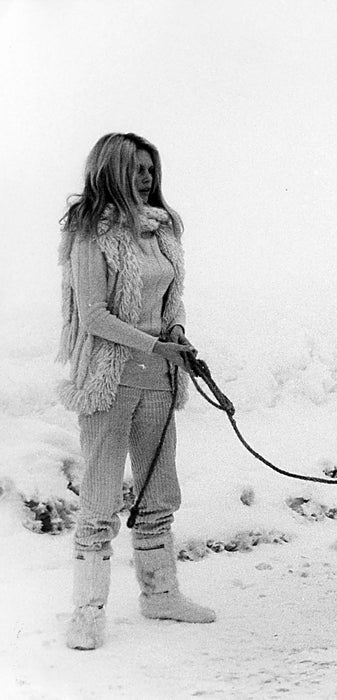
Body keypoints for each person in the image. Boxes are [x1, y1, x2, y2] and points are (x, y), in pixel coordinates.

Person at [58, 133, 215, 651]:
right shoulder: (92, 234)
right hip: (110, 376)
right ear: (111, 172)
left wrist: (175, 335)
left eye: (151, 168)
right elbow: (94, 315)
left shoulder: (162, 230)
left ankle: (161, 593)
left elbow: (173, 298)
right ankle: (87, 610)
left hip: (158, 377)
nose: (147, 178)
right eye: (136, 169)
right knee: (101, 493)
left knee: (156, 487)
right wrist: (152, 342)